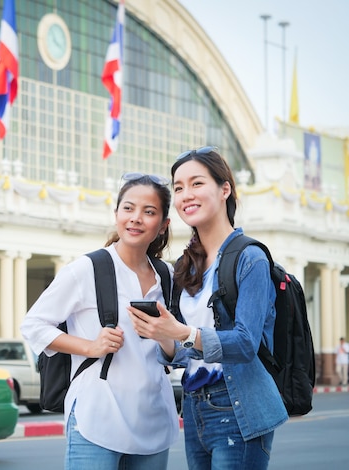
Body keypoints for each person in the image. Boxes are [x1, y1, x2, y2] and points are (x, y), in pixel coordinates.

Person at [128, 147, 288, 470]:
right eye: (179, 187)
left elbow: (244, 343)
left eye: (197, 183)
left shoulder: (250, 258)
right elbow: (187, 352)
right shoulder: (187, 265)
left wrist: (183, 332)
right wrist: (164, 337)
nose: (186, 194)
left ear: (224, 189)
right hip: (195, 404)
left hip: (237, 405)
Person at [21, 173, 180, 470]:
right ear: (116, 213)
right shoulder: (87, 269)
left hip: (153, 421)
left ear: (163, 226)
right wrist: (91, 346)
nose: (136, 218)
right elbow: (33, 325)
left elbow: (174, 353)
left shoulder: (167, 276)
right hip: (97, 417)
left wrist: (165, 336)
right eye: (128, 208)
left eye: (149, 212)